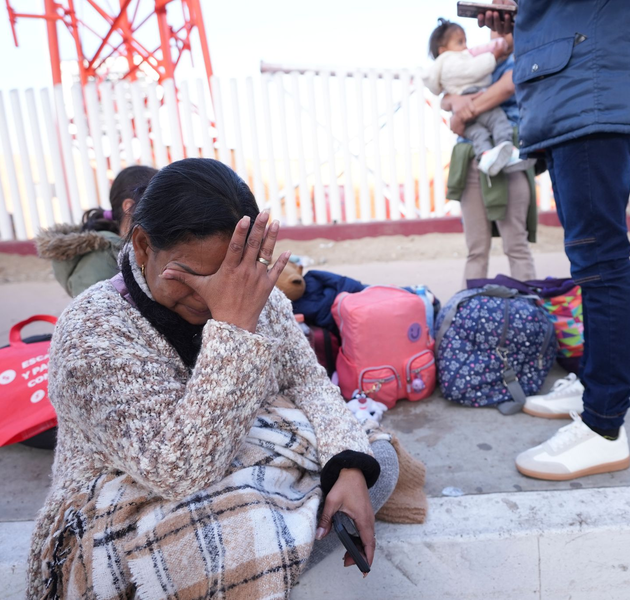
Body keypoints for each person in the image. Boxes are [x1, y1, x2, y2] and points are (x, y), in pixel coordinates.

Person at [26, 158, 398, 599]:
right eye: (194, 276)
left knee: (376, 460)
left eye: (230, 274)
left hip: (225, 461)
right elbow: (177, 472)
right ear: (143, 245)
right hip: (119, 499)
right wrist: (235, 326)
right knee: (241, 530)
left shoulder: (252, 289)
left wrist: (347, 465)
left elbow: (309, 382)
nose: (214, 297)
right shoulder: (91, 332)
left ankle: (279, 544)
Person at [480, 1, 630, 480]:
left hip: (593, 82)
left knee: (603, 262)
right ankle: (593, 385)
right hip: (574, 84)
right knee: (590, 262)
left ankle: (604, 425)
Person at [443, 29, 538, 284]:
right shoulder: (475, 62)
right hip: (471, 154)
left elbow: (508, 86)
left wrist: (462, 109)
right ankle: (469, 316)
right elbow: (446, 93)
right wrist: (452, 100)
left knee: (515, 244)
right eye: (491, 19)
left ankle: (529, 317)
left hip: (510, 155)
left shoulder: (526, 55)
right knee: (476, 249)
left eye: (505, 18)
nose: (497, 26)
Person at [35, 165, 158, 297]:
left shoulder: (130, 247)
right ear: (128, 207)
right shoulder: (102, 255)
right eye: (156, 204)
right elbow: (95, 310)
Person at [423, 18, 515, 175]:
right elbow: (450, 95)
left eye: (509, 26)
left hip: (469, 127)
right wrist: (453, 101)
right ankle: (505, 149)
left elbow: (507, 86)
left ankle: (486, 155)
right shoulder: (462, 61)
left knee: (479, 133)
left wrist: (460, 114)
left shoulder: (515, 61)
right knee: (496, 121)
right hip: (471, 142)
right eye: (494, 25)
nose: (465, 47)